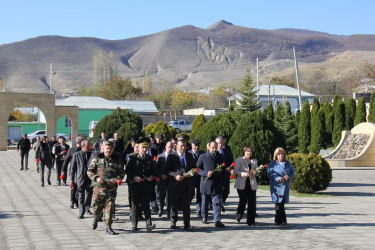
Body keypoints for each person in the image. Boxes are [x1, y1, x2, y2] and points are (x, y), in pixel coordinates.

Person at [87, 140, 125, 235]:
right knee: (97, 206)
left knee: (110, 207)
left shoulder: (116, 160)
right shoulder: (97, 158)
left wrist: (117, 179)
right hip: (99, 188)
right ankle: (96, 218)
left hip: (111, 188)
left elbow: (121, 172)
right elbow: (89, 171)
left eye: (111, 149)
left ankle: (109, 226)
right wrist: (96, 178)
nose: (109, 150)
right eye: (107, 148)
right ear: (103, 148)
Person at [125, 137, 156, 232]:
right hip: (135, 185)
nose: (144, 149)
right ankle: (134, 224)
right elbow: (128, 171)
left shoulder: (149, 158)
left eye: (146, 148)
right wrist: (134, 177)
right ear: (138, 148)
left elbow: (153, 171)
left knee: (146, 205)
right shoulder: (133, 157)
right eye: (143, 147)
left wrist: (151, 176)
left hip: (145, 185)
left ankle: (148, 224)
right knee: (135, 205)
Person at [165, 140, 195, 231]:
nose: (183, 148)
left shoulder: (189, 155)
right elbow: (167, 170)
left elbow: (194, 167)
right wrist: (175, 176)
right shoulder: (172, 156)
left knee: (186, 205)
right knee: (174, 203)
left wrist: (192, 173)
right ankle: (173, 220)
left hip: (187, 184)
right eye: (181, 146)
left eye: (185, 146)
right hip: (176, 184)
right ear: (176, 147)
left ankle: (187, 224)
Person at [197, 141, 225, 228]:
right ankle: (204, 216)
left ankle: (217, 220)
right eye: (213, 147)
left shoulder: (220, 157)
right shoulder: (203, 156)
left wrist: (223, 182)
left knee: (216, 202)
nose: (214, 149)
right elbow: (198, 168)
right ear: (208, 147)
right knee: (205, 201)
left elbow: (223, 170)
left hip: (217, 183)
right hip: (206, 182)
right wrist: (205, 173)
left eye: (216, 147)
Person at [267, 147, 295, 226]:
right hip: (276, 186)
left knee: (282, 203)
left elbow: (292, 172)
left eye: (282, 154)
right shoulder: (273, 163)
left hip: (285, 185)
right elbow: (269, 173)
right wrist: (277, 178)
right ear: (276, 155)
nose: (280, 156)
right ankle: (280, 220)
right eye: (279, 154)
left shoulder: (287, 163)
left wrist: (289, 176)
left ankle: (280, 219)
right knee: (278, 202)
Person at [234, 146, 258, 226]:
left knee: (252, 203)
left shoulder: (254, 161)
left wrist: (255, 173)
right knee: (243, 201)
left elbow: (256, 170)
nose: (249, 153)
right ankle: (239, 214)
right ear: (244, 152)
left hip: (251, 184)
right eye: (247, 151)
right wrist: (243, 174)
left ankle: (251, 221)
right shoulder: (240, 160)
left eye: (250, 151)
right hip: (242, 183)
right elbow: (236, 170)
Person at [71, 140, 93, 219]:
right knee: (81, 196)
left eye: (89, 146)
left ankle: (87, 207)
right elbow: (72, 169)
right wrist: (72, 180)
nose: (88, 148)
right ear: (82, 146)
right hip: (80, 178)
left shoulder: (92, 154)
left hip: (90, 179)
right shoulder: (76, 155)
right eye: (87, 147)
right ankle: (81, 212)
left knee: (89, 194)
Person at [62, 137, 82, 209]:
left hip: (81, 171)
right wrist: (63, 170)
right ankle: (72, 201)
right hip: (73, 171)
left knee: (80, 188)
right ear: (77, 143)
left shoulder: (83, 150)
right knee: (74, 187)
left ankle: (78, 202)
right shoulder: (71, 150)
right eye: (81, 142)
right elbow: (66, 161)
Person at [155, 141, 172, 218]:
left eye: (172, 147)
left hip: (170, 179)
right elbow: (156, 168)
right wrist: (161, 175)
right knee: (162, 195)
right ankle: (161, 208)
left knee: (169, 196)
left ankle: (169, 211)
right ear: (165, 147)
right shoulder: (160, 156)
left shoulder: (174, 157)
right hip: (162, 180)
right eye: (169, 147)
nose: (170, 149)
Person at [216, 135, 234, 211]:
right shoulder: (214, 150)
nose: (221, 145)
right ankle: (217, 204)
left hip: (226, 172)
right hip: (217, 173)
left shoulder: (227, 148)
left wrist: (231, 167)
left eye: (222, 143)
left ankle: (222, 201)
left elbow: (231, 160)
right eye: (219, 143)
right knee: (218, 191)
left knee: (226, 191)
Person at [188, 139, 205, 217]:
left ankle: (199, 210)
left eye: (198, 146)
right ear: (192, 145)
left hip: (200, 177)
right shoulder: (188, 154)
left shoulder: (203, 154)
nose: (196, 147)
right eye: (195, 146)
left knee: (199, 194)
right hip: (190, 178)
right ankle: (186, 206)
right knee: (190, 194)